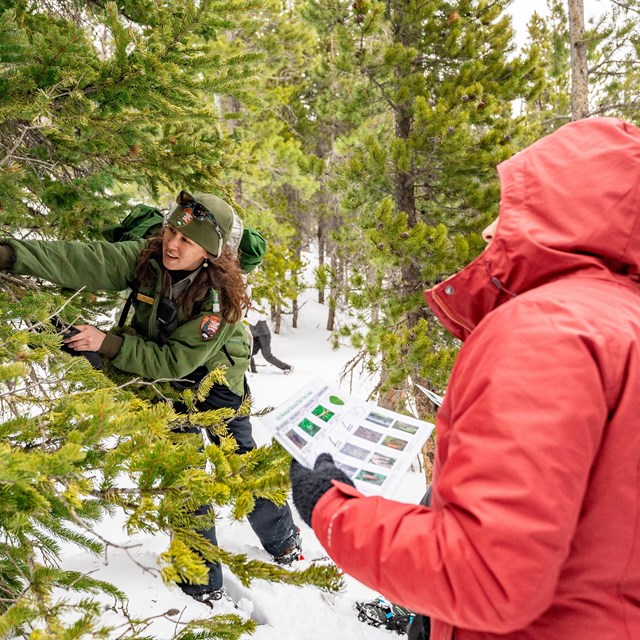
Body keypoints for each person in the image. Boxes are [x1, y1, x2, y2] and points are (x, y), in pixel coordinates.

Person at [289, 117, 640, 640]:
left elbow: (485, 575)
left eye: (515, 209)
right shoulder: (623, 323)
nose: (489, 230)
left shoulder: (545, 331)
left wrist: (332, 509)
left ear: (564, 215)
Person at [0, 190, 302, 605]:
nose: (172, 244)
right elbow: (84, 259)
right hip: (166, 383)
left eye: (187, 240)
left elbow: (175, 361)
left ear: (210, 254)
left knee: (240, 463)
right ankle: (201, 582)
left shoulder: (220, 302)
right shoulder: (149, 257)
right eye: (171, 230)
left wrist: (107, 343)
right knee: (185, 472)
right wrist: (11, 255)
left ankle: (283, 539)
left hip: (216, 384)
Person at [247, 302, 293, 374]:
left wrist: (243, 316)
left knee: (267, 356)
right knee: (248, 353)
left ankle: (287, 367)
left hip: (264, 335)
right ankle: (252, 370)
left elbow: (254, 321)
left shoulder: (257, 308)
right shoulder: (247, 309)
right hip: (256, 336)